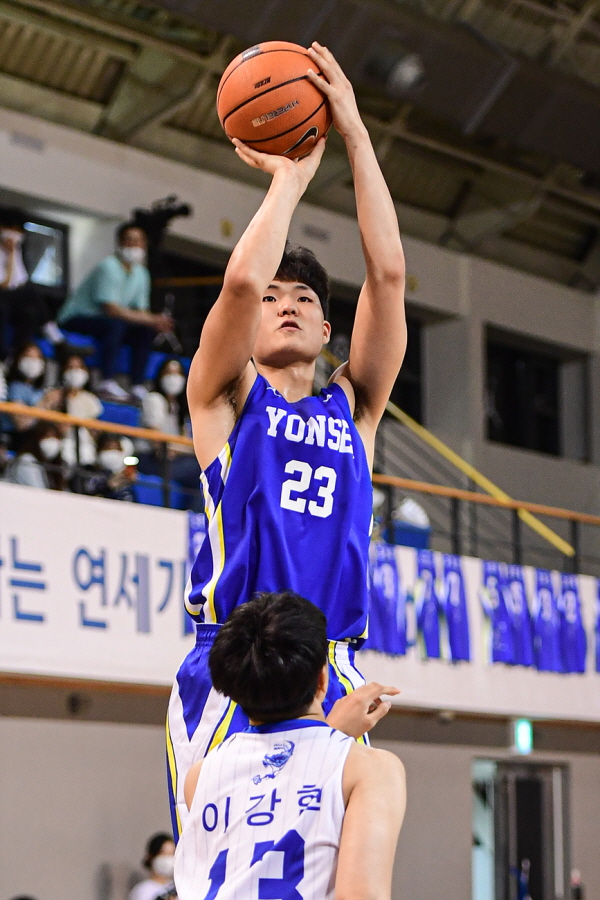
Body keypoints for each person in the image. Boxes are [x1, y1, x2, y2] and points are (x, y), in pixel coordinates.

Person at [167, 43, 407, 838]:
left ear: (327, 327)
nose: (287, 304)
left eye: (304, 296)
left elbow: (389, 277)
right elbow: (239, 281)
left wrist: (356, 134)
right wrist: (291, 179)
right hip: (233, 664)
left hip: (329, 664)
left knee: (325, 863)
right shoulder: (226, 398)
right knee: (220, 868)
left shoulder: (355, 409)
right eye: (274, 298)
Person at [175, 592, 406, 900]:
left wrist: (331, 734)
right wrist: (332, 737)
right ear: (322, 679)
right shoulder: (370, 769)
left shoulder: (200, 775)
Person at [57, 223, 173, 401]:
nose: (134, 245)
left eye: (138, 241)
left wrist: (154, 322)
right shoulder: (108, 266)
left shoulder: (142, 273)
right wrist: (152, 319)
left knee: (144, 330)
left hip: (109, 321)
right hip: (78, 318)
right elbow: (111, 309)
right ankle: (106, 381)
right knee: (115, 326)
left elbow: (141, 312)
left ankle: (137, 385)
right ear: (119, 242)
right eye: (129, 240)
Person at [0, 207, 85, 361]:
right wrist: (10, 255)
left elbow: (20, 281)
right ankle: (58, 341)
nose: (15, 235)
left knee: (31, 314)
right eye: (11, 229)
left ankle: (15, 356)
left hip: (10, 300)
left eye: (18, 231)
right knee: (31, 294)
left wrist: (12, 253)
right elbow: (5, 285)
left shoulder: (14, 249)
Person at [137, 356, 201, 510]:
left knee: (209, 469)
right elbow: (157, 441)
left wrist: (179, 449)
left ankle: (194, 513)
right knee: (203, 471)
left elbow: (186, 443)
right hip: (149, 458)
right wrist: (179, 449)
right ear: (160, 376)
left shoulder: (180, 407)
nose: (173, 378)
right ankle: (194, 515)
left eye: (177, 373)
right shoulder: (154, 399)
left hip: (172, 458)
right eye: (168, 373)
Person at [74, 432, 136, 501]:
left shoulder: (127, 475)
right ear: (98, 450)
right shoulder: (86, 471)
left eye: (117, 449)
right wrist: (107, 485)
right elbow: (82, 491)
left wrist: (134, 482)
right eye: (108, 448)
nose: (113, 453)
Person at [3, 421, 64, 490]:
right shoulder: (26, 460)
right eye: (47, 436)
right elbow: (38, 490)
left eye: (56, 437)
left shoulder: (54, 465)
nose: (52, 441)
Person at [129, 833, 175, 900]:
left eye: (171, 854)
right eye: (164, 853)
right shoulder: (142, 891)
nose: (169, 858)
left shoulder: (177, 888)